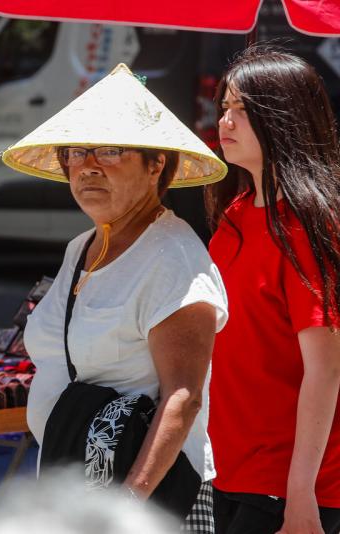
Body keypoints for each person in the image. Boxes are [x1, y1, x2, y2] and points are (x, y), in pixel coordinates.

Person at [0, 63, 229, 528]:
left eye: (110, 150)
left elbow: (182, 397)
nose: (88, 166)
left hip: (146, 502)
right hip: (72, 490)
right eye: (77, 151)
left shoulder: (174, 257)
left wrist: (126, 505)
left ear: (155, 164)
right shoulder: (81, 247)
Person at [207, 46, 340, 534]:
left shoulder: (310, 227)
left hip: (292, 489)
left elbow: (325, 369)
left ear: (284, 119)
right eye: (225, 106)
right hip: (232, 470)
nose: (226, 120)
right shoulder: (234, 215)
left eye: (243, 109)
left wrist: (301, 493)